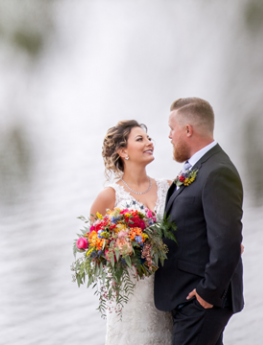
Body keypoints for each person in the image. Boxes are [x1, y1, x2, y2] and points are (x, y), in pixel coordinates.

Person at [154, 97, 244, 345]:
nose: (169, 136)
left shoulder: (217, 172)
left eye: (172, 129)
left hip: (202, 301)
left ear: (188, 130)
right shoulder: (198, 168)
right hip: (189, 297)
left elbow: (227, 241)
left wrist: (208, 293)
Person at [90, 120, 173, 345]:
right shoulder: (109, 196)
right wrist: (122, 247)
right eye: (140, 139)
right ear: (123, 151)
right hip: (131, 300)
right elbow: (95, 249)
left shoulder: (169, 187)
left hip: (167, 293)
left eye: (149, 138)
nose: (149, 143)